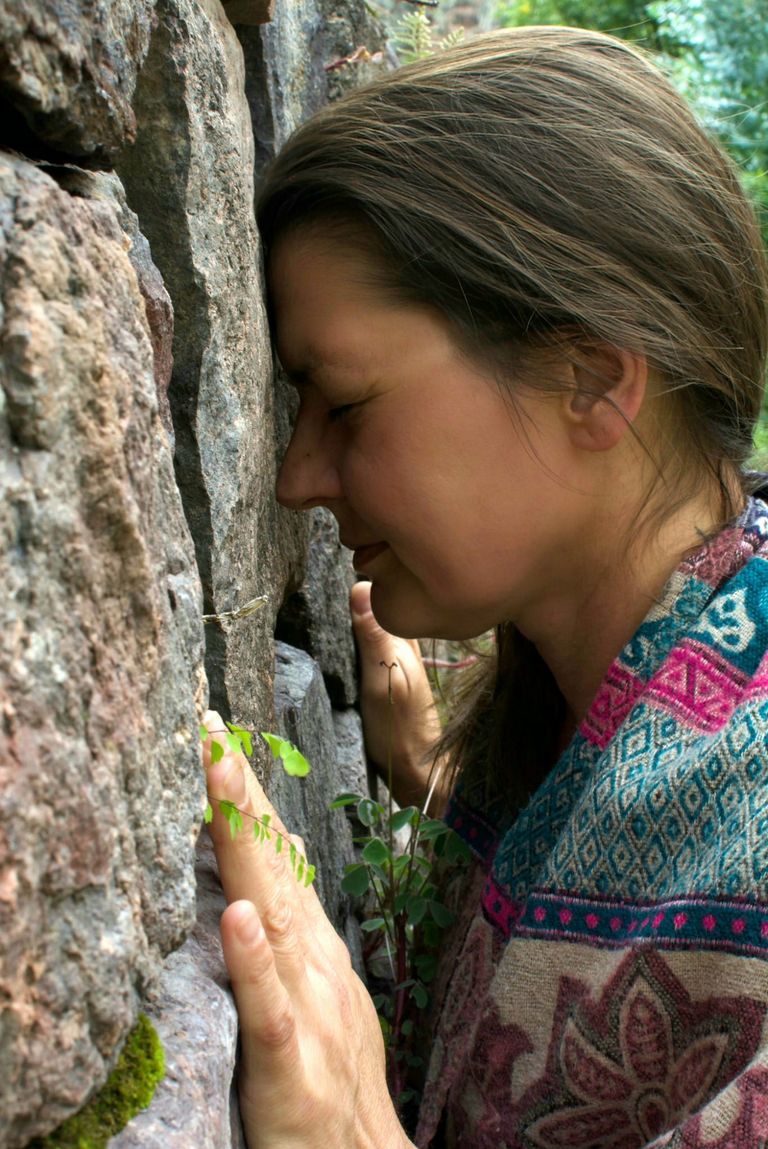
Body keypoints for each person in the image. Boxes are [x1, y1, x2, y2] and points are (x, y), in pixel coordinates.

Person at [203, 24, 768, 1148]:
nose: (296, 479)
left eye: (344, 405)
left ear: (592, 378)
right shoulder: (566, 710)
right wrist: (426, 773)